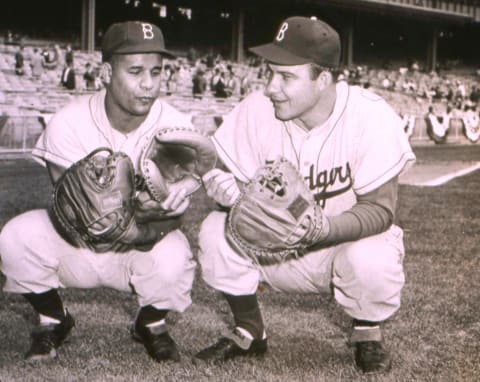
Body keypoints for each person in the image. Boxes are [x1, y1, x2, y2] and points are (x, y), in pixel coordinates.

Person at [194, 16, 416, 374]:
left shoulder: (369, 115)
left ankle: (366, 333)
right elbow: (230, 186)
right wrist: (225, 194)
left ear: (323, 79)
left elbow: (379, 210)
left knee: (374, 255)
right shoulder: (256, 110)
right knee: (214, 229)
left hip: (340, 250)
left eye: (286, 77)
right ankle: (249, 329)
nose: (271, 87)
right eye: (269, 73)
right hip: (272, 250)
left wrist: (320, 229)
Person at [0, 21, 196, 363]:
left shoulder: (176, 125)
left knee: (176, 255)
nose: (148, 84)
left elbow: (176, 213)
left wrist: (151, 220)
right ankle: (54, 319)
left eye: (156, 71)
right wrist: (134, 210)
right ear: (106, 72)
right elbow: (70, 214)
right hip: (78, 246)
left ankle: (151, 324)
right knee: (16, 236)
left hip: (139, 246)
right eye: (135, 71)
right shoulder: (69, 121)